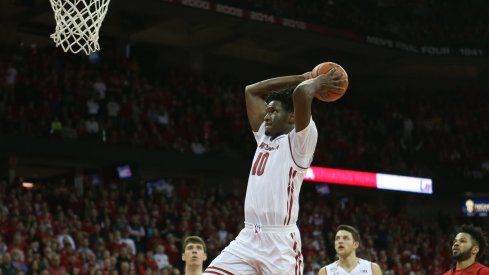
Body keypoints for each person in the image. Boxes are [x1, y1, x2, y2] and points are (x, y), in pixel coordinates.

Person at [204, 68, 345, 274]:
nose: (267, 116)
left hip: (279, 245)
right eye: (267, 111)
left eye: (274, 112)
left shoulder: (300, 143)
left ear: (291, 118)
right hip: (248, 237)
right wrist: (302, 78)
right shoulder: (263, 136)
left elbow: (301, 94)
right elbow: (251, 91)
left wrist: (316, 82)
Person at [317, 225, 382, 275]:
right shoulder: (325, 272)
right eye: (337, 238)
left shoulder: (372, 269)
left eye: (345, 238)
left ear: (355, 244)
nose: (340, 241)